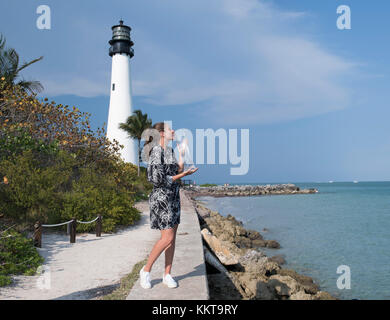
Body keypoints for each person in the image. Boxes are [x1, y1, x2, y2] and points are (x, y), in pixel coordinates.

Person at [139, 122, 198, 289]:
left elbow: (176, 171)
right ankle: (146, 270)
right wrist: (184, 175)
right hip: (162, 198)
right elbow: (157, 179)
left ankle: (167, 274)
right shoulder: (157, 151)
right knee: (167, 238)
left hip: (173, 197)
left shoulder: (169, 151)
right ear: (161, 134)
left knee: (172, 240)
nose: (173, 131)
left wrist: (182, 155)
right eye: (170, 129)